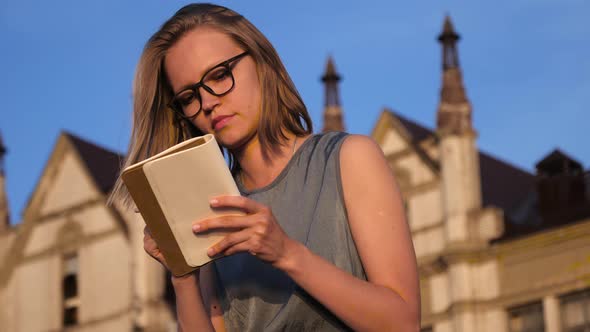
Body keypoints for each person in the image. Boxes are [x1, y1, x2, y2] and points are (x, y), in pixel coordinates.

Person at [109, 3, 420, 331]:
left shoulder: (349, 158)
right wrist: (182, 275)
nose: (208, 102)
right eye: (189, 97)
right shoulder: (210, 208)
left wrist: (286, 253)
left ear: (261, 61)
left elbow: (402, 323)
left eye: (219, 75)